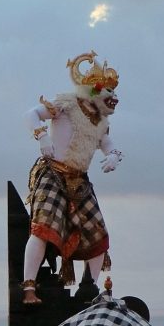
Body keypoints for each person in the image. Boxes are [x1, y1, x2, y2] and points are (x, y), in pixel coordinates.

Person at [22, 51, 122, 303]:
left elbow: (109, 145)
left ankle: (90, 290)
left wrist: (113, 157)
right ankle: (29, 288)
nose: (113, 98)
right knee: (43, 227)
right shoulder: (66, 104)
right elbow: (31, 114)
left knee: (98, 236)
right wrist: (42, 136)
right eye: (107, 91)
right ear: (92, 89)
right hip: (54, 173)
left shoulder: (100, 122)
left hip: (80, 181)